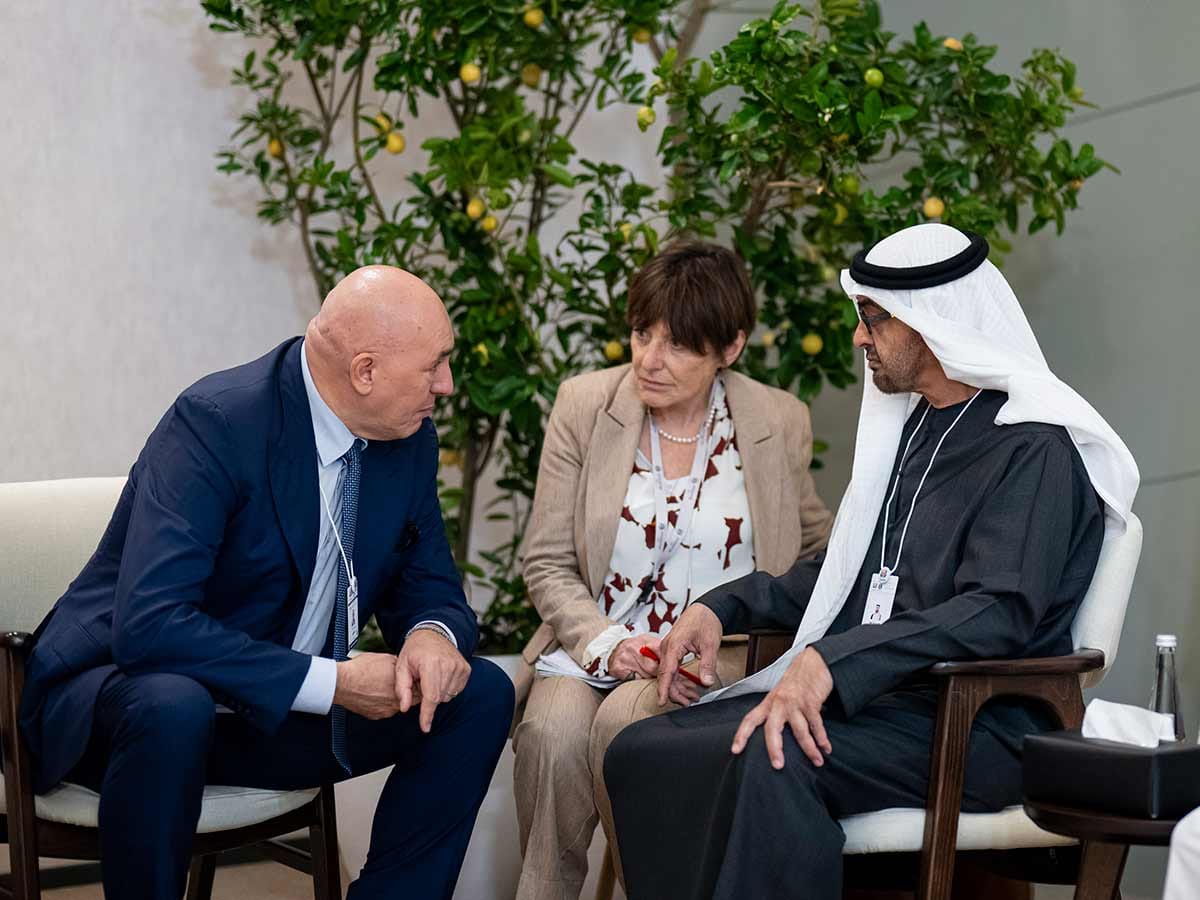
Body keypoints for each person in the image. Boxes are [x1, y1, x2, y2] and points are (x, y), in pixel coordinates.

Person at [604, 224, 1140, 900]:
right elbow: (847, 572)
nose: (859, 337)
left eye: (874, 318)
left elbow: (997, 612)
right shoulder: (919, 428)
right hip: (882, 708)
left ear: (933, 322)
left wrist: (833, 661)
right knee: (642, 750)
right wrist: (721, 606)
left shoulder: (1032, 448)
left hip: (975, 725)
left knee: (770, 751)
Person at [19, 266, 515, 900]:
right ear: (364, 371)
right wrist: (336, 682)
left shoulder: (405, 439)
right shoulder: (217, 422)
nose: (446, 385)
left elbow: (432, 585)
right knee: (174, 705)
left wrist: (431, 635)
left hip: (265, 712)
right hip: (121, 704)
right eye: (434, 365)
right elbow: (150, 625)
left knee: (478, 694)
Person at [512, 240, 834, 899]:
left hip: (718, 656)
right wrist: (608, 643)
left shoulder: (777, 420)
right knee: (550, 732)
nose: (649, 360)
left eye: (679, 344)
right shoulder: (584, 405)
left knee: (625, 722)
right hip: (594, 646)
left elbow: (817, 552)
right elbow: (546, 559)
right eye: (641, 333)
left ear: (730, 347)